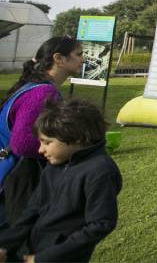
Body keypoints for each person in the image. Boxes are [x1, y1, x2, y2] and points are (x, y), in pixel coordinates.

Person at [0, 99, 121, 263]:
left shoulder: (100, 171)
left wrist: (45, 258)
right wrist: (6, 246)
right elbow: (33, 210)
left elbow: (100, 224)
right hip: (31, 249)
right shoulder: (55, 163)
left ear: (78, 138)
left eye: (47, 142)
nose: (40, 150)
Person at [0, 35, 82, 228]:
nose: (83, 59)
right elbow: (23, 144)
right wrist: (68, 148)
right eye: (78, 54)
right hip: (14, 183)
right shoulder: (42, 93)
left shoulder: (34, 87)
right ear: (58, 59)